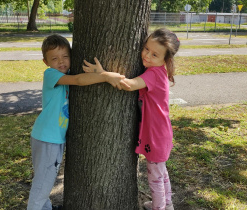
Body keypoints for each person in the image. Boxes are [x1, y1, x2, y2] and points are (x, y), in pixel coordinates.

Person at [83, 28, 180, 210]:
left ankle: (159, 207)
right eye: (146, 49)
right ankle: (167, 204)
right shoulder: (158, 70)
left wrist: (103, 74)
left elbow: (128, 85)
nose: (147, 56)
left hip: (156, 136)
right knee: (161, 173)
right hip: (161, 133)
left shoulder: (153, 74)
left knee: (155, 177)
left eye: (154, 54)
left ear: (165, 60)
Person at [27, 34, 127, 210]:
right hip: (47, 138)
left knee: (44, 178)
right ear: (46, 62)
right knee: (43, 182)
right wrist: (105, 76)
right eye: (55, 58)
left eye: (66, 56)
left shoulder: (63, 74)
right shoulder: (51, 74)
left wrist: (99, 72)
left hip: (49, 137)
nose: (62, 62)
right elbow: (80, 80)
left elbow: (83, 76)